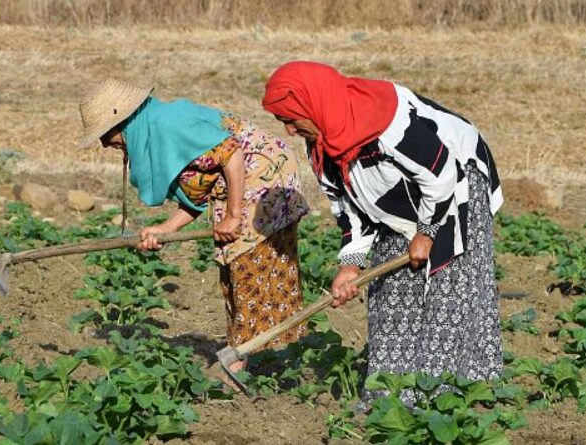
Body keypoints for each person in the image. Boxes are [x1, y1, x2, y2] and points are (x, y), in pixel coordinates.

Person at [262, 61, 504, 406]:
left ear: (312, 105)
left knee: (446, 289)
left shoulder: (388, 122)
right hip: (396, 198)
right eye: (282, 121)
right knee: (391, 292)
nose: (288, 130)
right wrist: (351, 264)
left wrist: (427, 230)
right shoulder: (321, 142)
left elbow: (440, 174)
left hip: (454, 182)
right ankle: (388, 396)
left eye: (291, 119)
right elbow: (347, 207)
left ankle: (442, 397)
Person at [78, 78, 309, 380]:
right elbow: (200, 193)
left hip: (263, 175)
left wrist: (234, 215)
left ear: (123, 121)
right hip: (238, 183)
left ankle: (236, 363)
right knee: (233, 267)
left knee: (248, 263)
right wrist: (166, 229)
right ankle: (243, 354)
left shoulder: (167, 124)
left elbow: (231, 154)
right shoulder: (154, 132)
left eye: (105, 134)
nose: (105, 144)